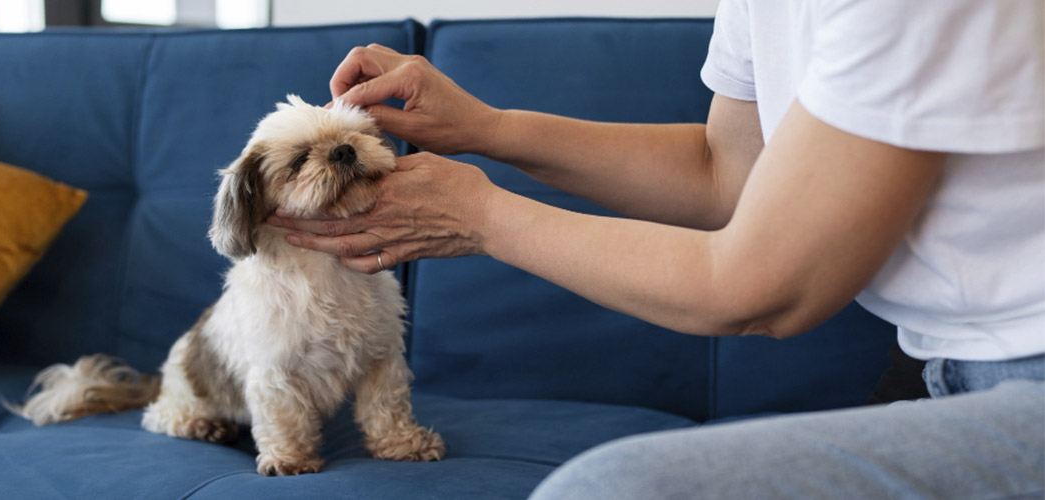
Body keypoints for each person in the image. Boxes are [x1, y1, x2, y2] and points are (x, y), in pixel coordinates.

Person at [267, 0, 1045, 497]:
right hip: (938, 369)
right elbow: (726, 171)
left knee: (612, 490)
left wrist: (483, 217)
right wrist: (487, 129)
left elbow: (764, 289)